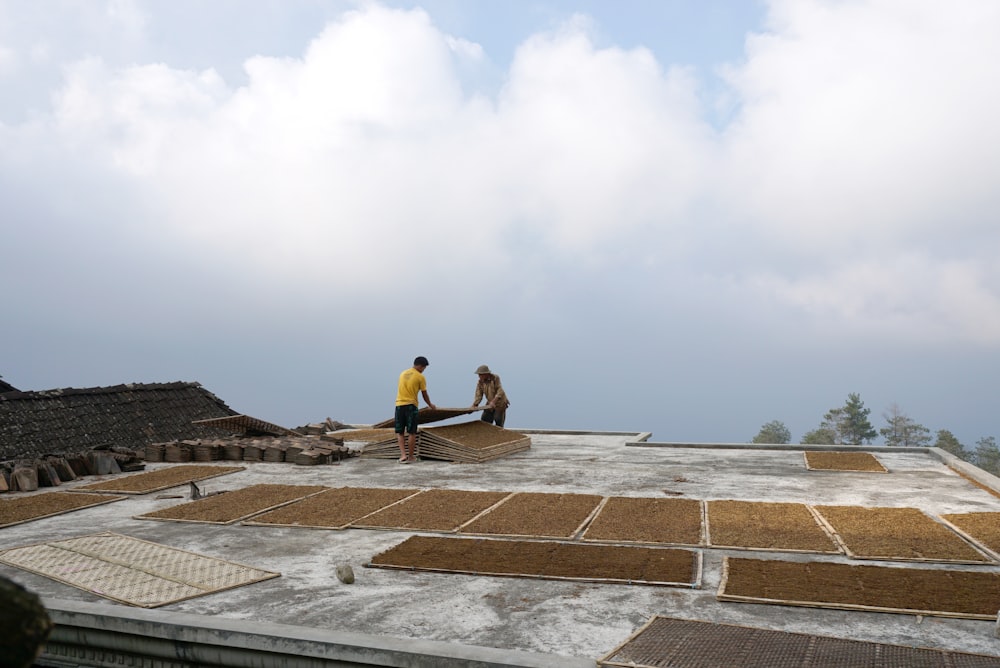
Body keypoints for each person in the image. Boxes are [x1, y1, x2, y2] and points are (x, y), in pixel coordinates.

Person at [395, 356, 436, 463]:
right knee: (412, 432)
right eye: (424, 368)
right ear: (421, 366)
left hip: (399, 405)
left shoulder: (402, 373)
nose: (423, 370)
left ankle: (403, 455)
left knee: (400, 432)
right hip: (411, 406)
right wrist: (430, 404)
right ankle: (411, 457)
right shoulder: (420, 377)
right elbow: (424, 393)